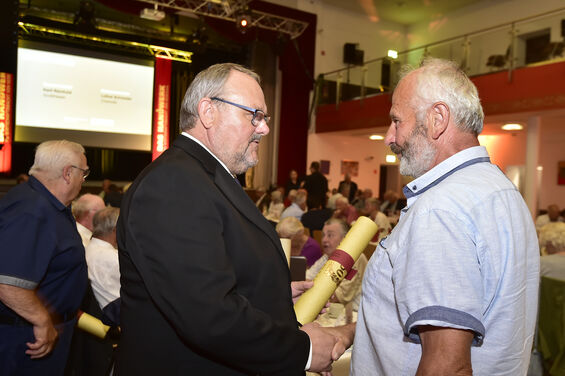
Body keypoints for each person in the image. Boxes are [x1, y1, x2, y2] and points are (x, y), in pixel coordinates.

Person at [116, 63, 340, 375]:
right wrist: (304, 351)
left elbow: (203, 276)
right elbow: (207, 315)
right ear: (208, 112)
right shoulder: (174, 183)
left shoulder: (200, 177)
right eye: (255, 115)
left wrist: (272, 292)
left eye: (264, 118)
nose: (264, 128)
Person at [349, 58, 539, 375]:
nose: (389, 137)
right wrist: (349, 334)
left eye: (397, 121)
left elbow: (446, 365)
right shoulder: (502, 191)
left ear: (438, 119)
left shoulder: (441, 209)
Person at [0, 140, 89, 375]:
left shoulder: (45, 205)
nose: (84, 179)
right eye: (84, 172)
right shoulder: (32, 210)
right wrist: (42, 320)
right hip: (27, 340)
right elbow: (8, 282)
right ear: (68, 173)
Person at [306, 218, 367, 312]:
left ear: (345, 238)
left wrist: (310, 287)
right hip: (330, 310)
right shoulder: (327, 256)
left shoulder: (355, 258)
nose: (324, 240)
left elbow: (337, 297)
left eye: (330, 235)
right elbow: (306, 278)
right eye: (323, 235)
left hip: (354, 315)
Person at [85, 207, 121, 324]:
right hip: (114, 317)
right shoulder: (112, 257)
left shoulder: (87, 249)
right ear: (116, 230)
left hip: (98, 315)